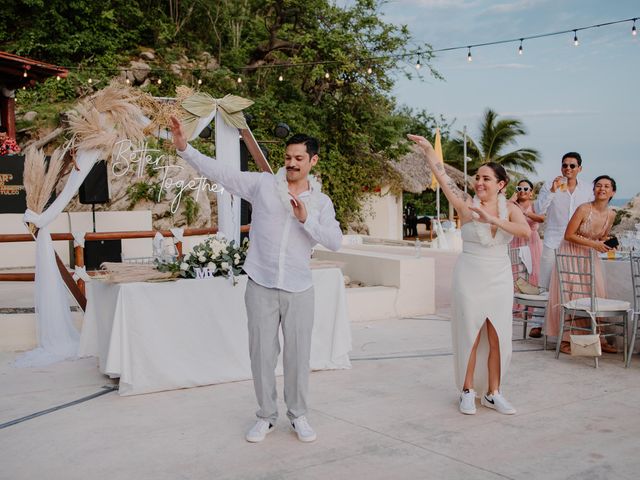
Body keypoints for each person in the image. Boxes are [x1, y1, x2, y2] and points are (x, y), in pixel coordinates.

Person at [169, 117, 342, 443]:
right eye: (288, 157)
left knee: (298, 356)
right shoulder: (263, 185)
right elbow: (222, 173)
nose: (291, 163)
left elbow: (335, 240)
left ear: (313, 161)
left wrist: (307, 221)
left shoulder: (321, 202)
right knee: (261, 354)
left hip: (299, 288)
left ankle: (299, 415)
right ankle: (266, 416)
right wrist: (185, 149)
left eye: (299, 159)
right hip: (261, 283)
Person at [408, 134, 530, 416]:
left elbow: (524, 231)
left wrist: (493, 219)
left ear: (501, 185)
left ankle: (494, 392)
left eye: (486, 178)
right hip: (469, 274)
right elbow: (442, 177)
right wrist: (428, 150)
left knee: (497, 335)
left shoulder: (511, 210)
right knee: (470, 333)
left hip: (499, 275)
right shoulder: (465, 204)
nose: (479, 182)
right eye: (478, 177)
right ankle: (466, 390)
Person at [545, 175, 618, 355]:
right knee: (572, 294)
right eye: (598, 185)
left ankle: (596, 338)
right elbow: (568, 235)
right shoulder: (584, 209)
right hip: (570, 254)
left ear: (613, 192)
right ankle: (566, 339)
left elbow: (601, 237)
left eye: (606, 186)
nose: (602, 188)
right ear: (593, 190)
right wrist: (595, 244)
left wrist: (609, 243)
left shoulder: (612, 214)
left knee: (595, 294)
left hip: (590, 256)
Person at [535, 152, 592, 290]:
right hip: (553, 241)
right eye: (565, 165)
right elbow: (539, 211)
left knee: (575, 284)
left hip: (578, 243)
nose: (568, 168)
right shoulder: (549, 186)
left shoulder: (588, 188)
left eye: (572, 165)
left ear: (580, 168)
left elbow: (591, 215)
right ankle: (543, 311)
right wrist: (552, 191)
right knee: (545, 283)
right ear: (561, 168)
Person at [509, 179, 545, 337]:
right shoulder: (512, 205)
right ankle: (518, 308)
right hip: (515, 240)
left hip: (532, 241)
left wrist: (526, 213)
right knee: (515, 273)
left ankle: (531, 309)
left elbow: (542, 218)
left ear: (531, 191)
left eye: (526, 188)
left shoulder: (536, 205)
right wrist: (510, 200)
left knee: (533, 273)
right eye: (519, 188)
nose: (522, 190)